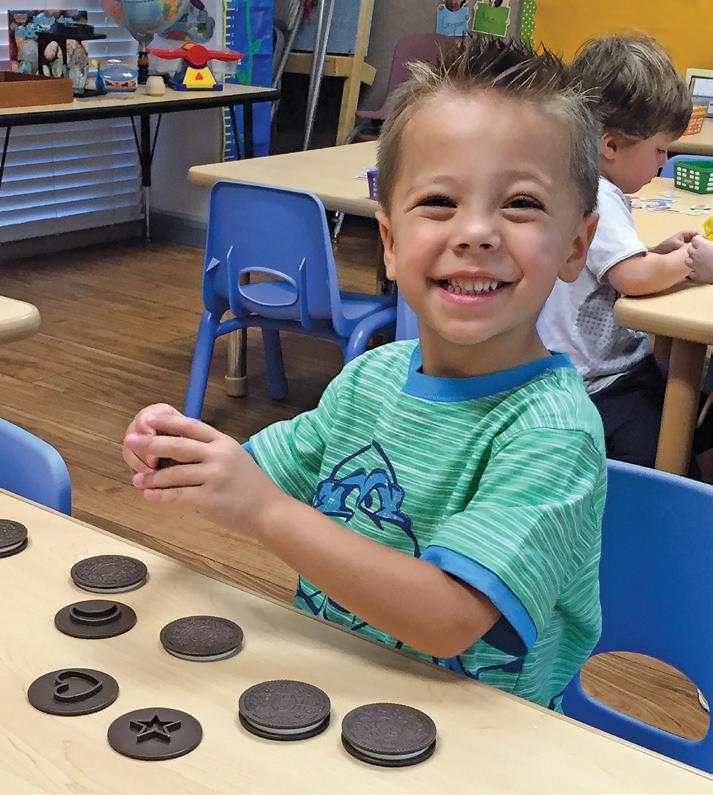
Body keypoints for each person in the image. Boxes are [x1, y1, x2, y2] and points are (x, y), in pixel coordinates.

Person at [122, 35, 605, 711]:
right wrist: (185, 452)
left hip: (480, 736)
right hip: (334, 697)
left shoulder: (552, 433)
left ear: (576, 245)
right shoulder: (369, 378)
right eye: (439, 201)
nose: (475, 232)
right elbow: (258, 472)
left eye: (520, 203)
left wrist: (263, 511)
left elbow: (449, 619)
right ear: (390, 241)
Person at [538, 34, 713, 472]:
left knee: (693, 407)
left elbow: (608, 263)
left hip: (584, 371)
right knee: (677, 441)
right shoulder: (598, 192)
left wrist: (656, 252)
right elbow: (632, 278)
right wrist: (690, 262)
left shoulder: (567, 180)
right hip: (599, 385)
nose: (663, 161)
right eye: (659, 149)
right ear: (611, 145)